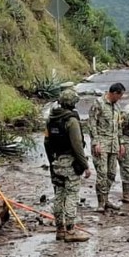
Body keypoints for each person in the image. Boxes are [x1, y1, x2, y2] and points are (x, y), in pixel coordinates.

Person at [44, 88, 91, 242]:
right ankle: (71, 230)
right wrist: (85, 166)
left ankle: (60, 229)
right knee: (71, 195)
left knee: (59, 195)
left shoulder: (51, 119)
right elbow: (77, 146)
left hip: (56, 161)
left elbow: (47, 142)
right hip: (70, 163)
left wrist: (51, 162)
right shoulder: (71, 121)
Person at [89, 82, 126, 212]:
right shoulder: (98, 104)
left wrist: (121, 143)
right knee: (102, 174)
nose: (120, 99)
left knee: (111, 173)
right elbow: (92, 124)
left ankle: (106, 199)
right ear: (114, 93)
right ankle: (101, 202)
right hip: (102, 144)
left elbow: (119, 126)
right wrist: (96, 142)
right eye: (119, 96)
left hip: (113, 145)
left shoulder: (117, 107)